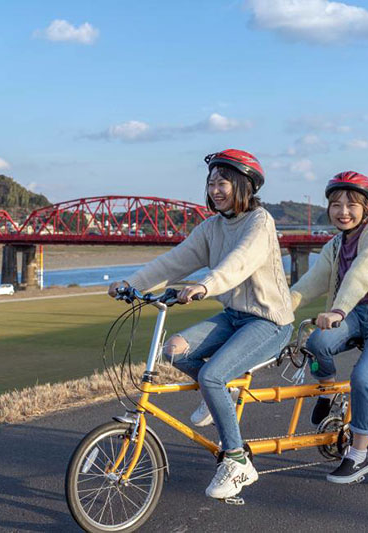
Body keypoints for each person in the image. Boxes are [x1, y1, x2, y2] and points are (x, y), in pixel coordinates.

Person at [108, 149, 294, 499]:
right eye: (211, 183)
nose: (215, 190)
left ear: (245, 185)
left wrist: (205, 285)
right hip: (234, 316)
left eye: (223, 182)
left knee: (211, 375)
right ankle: (222, 394)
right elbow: (174, 261)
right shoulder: (211, 227)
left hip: (268, 321)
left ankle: (238, 461)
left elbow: (240, 263)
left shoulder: (260, 222)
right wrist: (131, 283)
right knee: (174, 350)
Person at [290, 171, 368, 484]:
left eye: (351, 204)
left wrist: (337, 309)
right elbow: (314, 280)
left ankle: (358, 455)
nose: (343, 211)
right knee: (316, 342)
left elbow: (361, 273)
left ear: (366, 207)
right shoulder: (335, 244)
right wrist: (281, 306)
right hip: (353, 317)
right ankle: (327, 391)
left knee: (363, 377)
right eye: (335, 204)